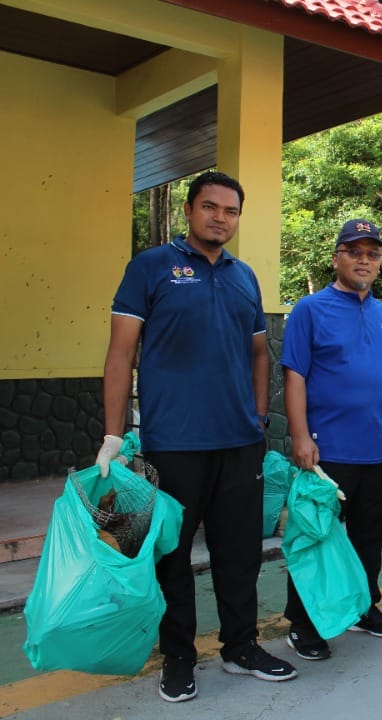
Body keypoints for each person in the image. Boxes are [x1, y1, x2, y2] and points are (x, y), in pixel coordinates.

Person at [97, 171, 297, 703]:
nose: (220, 218)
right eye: (210, 207)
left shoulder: (244, 276)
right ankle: (179, 658)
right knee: (173, 557)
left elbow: (260, 352)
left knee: (240, 553)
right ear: (189, 210)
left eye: (230, 211)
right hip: (172, 443)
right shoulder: (150, 267)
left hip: (238, 444)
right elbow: (121, 353)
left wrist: (257, 416)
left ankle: (241, 647)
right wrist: (113, 435)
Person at [278, 219, 382, 661]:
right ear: (336, 256)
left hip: (377, 449)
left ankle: (363, 607)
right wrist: (300, 436)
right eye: (353, 251)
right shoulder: (310, 310)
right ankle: (302, 623)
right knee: (316, 539)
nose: (363, 259)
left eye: (371, 253)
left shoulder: (381, 314)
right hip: (326, 451)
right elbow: (294, 375)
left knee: (369, 538)